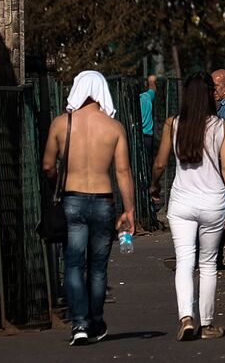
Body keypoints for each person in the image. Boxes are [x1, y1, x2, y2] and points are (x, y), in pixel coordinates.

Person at [42, 70, 135, 347]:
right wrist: (129, 211)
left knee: (72, 263)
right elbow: (123, 171)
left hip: (72, 200)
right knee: (97, 268)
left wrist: (58, 182)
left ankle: (79, 323)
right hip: (104, 201)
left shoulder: (61, 124)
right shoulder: (114, 127)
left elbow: (47, 166)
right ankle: (95, 320)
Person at [151, 72, 225, 341]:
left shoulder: (173, 124)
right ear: (210, 95)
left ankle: (186, 317)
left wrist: (154, 185)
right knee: (209, 264)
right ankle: (208, 324)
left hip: (182, 203)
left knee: (185, 262)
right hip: (213, 202)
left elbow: (160, 163)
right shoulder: (223, 127)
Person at [140, 74, 158, 164]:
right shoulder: (145, 97)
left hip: (135, 137)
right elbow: (153, 90)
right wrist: (151, 81)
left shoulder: (128, 102)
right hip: (147, 137)